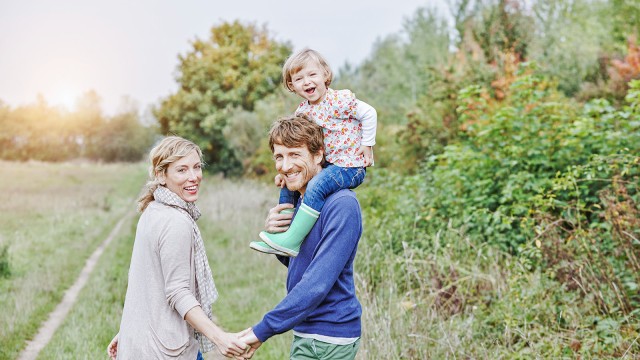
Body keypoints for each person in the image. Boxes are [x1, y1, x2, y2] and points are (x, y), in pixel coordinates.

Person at [106, 136, 251, 360]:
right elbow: (178, 292)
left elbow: (149, 281)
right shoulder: (176, 221)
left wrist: (130, 332)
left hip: (139, 346)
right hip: (165, 352)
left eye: (196, 167)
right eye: (181, 170)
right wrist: (220, 338)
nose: (193, 177)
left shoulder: (153, 209)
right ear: (161, 175)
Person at [241, 116, 363, 359]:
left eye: (295, 154)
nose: (285, 166)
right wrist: (278, 239)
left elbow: (317, 284)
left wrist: (262, 330)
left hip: (332, 338)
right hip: (305, 331)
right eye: (279, 156)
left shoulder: (342, 205)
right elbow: (298, 263)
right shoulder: (302, 202)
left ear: (318, 154)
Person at [250, 48, 376, 257]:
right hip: (328, 164)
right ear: (292, 85)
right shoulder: (302, 112)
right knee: (287, 185)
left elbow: (369, 113)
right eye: (299, 78)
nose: (307, 82)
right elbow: (295, 146)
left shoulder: (339, 100)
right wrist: (287, 169)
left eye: (312, 75)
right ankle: (283, 234)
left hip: (349, 166)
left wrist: (367, 143)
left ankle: (291, 240)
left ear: (325, 75)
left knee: (317, 185)